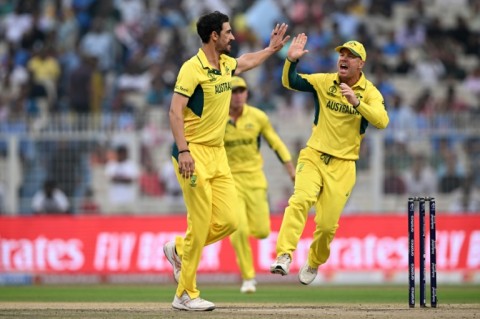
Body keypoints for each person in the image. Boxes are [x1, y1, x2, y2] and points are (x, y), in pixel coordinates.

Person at [163, 11, 289, 311]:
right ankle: (185, 294)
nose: (233, 37)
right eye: (228, 32)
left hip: (218, 154)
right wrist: (184, 152)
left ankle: (179, 249)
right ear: (214, 36)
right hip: (193, 154)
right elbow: (174, 112)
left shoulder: (227, 65)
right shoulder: (191, 69)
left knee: (231, 220)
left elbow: (246, 61)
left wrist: (271, 50)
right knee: (201, 220)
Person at [270, 36, 389, 285]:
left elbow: (382, 121)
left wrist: (357, 103)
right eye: (341, 54)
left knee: (326, 227)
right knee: (300, 200)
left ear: (361, 64)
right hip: (313, 155)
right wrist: (290, 61)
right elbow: (290, 82)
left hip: (344, 165)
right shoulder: (325, 81)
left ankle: (314, 261)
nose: (343, 58)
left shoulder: (370, 93)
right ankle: (284, 254)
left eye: (350, 55)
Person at [225, 76, 295, 293]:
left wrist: (292, 172)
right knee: (238, 228)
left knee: (262, 231)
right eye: (234, 91)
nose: (238, 95)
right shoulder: (217, 119)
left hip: (255, 180)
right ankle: (248, 277)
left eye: (241, 91)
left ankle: (249, 272)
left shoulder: (257, 117)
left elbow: (276, 144)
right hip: (229, 182)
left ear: (246, 93)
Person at [104, 145, 140, 214]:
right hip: (115, 200)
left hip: (128, 200)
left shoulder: (131, 165)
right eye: (122, 153)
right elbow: (111, 179)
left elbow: (131, 180)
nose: (124, 155)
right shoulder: (111, 165)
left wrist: (118, 179)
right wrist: (123, 179)